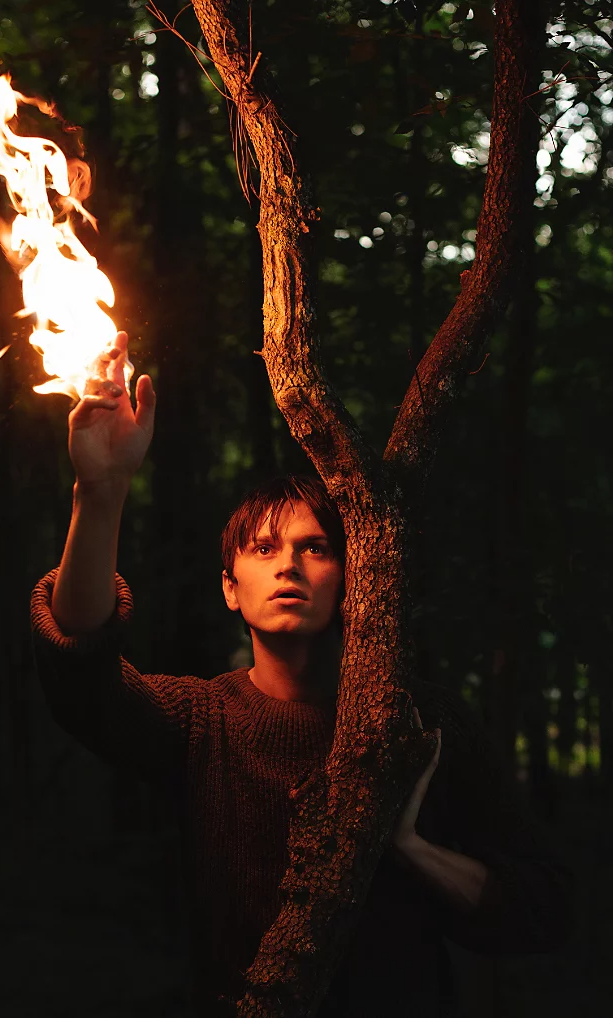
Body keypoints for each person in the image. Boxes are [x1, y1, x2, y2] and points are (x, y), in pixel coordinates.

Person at [31, 332, 574, 1017]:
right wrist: (100, 489)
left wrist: (404, 845)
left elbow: (546, 909)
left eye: (314, 547)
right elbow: (79, 667)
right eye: (263, 549)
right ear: (231, 588)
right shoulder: (200, 720)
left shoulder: (424, 724)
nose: (288, 564)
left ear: (353, 578)